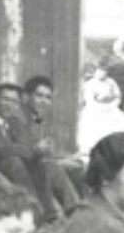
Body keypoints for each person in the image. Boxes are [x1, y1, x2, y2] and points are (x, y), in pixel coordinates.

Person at [0, 82, 65, 232]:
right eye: (6, 99)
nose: (10, 105)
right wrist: (32, 149)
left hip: (16, 165)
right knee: (16, 162)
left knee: (39, 163)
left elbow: (24, 146)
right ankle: (34, 216)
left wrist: (35, 151)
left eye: (14, 101)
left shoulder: (14, 122)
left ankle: (50, 217)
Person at [20, 75, 86, 216]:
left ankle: (87, 207)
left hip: (41, 161)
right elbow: (23, 149)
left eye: (48, 98)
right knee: (53, 167)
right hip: (27, 165)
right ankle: (74, 210)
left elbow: (49, 152)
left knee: (79, 166)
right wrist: (41, 151)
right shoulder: (19, 118)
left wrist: (68, 157)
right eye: (39, 96)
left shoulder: (39, 118)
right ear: (27, 96)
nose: (44, 101)